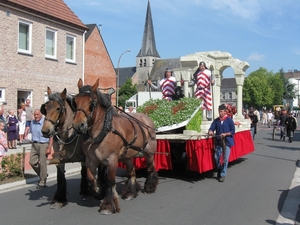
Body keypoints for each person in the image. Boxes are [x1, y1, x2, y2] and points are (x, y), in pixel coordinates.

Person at [208, 104, 235, 182]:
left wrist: (226, 134)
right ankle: (219, 168)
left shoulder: (229, 120)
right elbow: (211, 128)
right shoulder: (216, 121)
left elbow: (233, 131)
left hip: (227, 141)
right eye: (219, 111)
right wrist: (210, 131)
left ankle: (223, 174)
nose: (220, 113)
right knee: (216, 157)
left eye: (221, 111)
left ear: (225, 111)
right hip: (219, 141)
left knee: (225, 158)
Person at [29, 109, 53, 189]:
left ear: (41, 115)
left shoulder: (45, 122)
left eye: (37, 114)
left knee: (43, 163)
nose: (36, 116)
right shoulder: (32, 122)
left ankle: (42, 181)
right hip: (34, 144)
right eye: (35, 114)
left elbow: (51, 136)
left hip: (44, 144)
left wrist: (49, 147)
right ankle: (43, 174)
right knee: (32, 162)